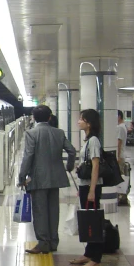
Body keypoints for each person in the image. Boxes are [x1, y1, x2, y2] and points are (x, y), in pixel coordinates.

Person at [19, 105, 76, 254]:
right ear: (50, 117)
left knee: (40, 212)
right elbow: (72, 151)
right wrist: (69, 167)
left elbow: (28, 156)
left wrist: (22, 176)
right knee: (53, 210)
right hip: (56, 178)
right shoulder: (59, 132)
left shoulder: (31, 133)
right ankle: (53, 242)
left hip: (38, 179)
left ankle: (43, 243)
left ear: (34, 118)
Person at [70, 109, 105, 266]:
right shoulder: (88, 140)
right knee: (88, 219)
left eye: (81, 119)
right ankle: (88, 253)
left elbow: (96, 165)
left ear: (89, 123)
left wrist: (91, 190)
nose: (78, 121)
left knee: (93, 221)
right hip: (86, 186)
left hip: (92, 187)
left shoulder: (94, 141)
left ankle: (96, 258)